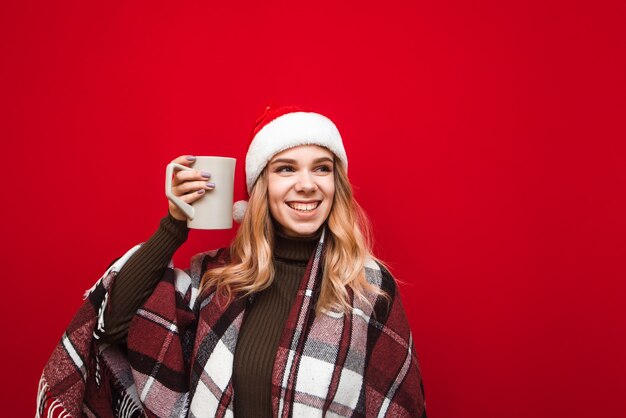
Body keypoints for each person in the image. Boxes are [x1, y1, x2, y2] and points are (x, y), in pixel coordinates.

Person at [38, 105, 426, 417]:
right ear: (261, 188)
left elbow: (398, 404)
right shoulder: (220, 277)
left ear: (335, 184)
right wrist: (174, 226)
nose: (307, 184)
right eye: (285, 168)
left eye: (321, 168)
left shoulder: (368, 285)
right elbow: (113, 323)